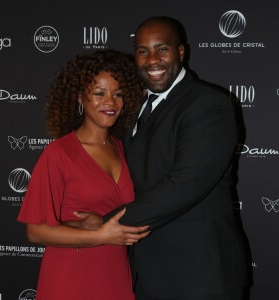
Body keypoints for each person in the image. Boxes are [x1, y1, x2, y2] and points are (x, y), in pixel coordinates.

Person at [66, 17, 249, 300]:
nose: (152, 60)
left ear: (181, 52)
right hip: (146, 272)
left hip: (201, 276)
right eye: (142, 51)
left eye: (161, 49)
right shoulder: (131, 106)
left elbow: (184, 185)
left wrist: (104, 223)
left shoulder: (208, 105)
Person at [17, 49, 150, 300]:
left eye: (118, 94)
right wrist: (100, 235)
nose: (110, 103)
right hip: (71, 276)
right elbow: (35, 232)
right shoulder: (59, 153)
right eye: (99, 93)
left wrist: (95, 225)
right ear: (80, 97)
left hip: (115, 273)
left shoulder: (123, 149)